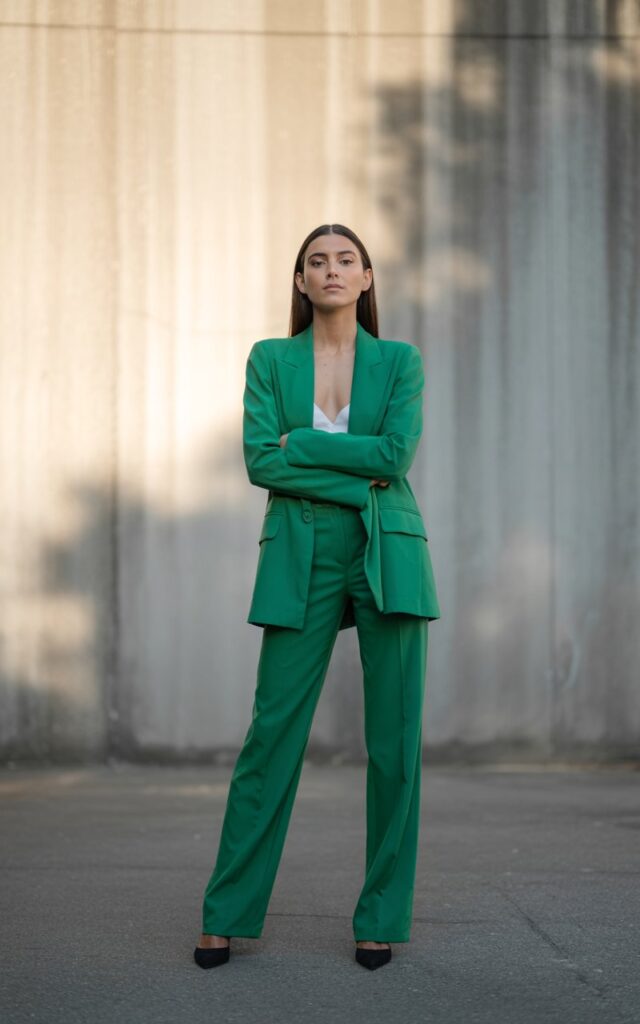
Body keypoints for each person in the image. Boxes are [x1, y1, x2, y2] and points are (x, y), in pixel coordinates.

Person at [194, 223, 441, 971]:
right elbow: (259, 460)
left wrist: (305, 443)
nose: (330, 270)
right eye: (315, 261)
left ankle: (381, 918)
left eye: (345, 260)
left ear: (366, 278)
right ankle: (226, 911)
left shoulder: (400, 361)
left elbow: (395, 456)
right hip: (300, 553)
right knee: (272, 737)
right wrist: (348, 465)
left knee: (395, 743)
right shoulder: (270, 359)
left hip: (386, 548)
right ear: (300, 282)